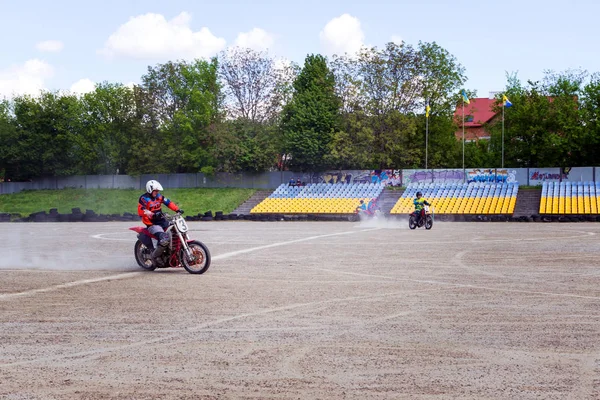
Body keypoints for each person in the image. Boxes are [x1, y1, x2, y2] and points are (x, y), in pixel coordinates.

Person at [138, 180, 183, 265]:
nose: (157, 192)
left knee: (176, 232)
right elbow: (141, 210)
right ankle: (156, 256)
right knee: (164, 239)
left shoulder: (159, 197)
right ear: (150, 189)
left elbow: (168, 203)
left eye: (158, 191)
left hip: (162, 221)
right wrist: (152, 214)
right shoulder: (144, 198)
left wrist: (177, 209)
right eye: (155, 191)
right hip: (152, 224)